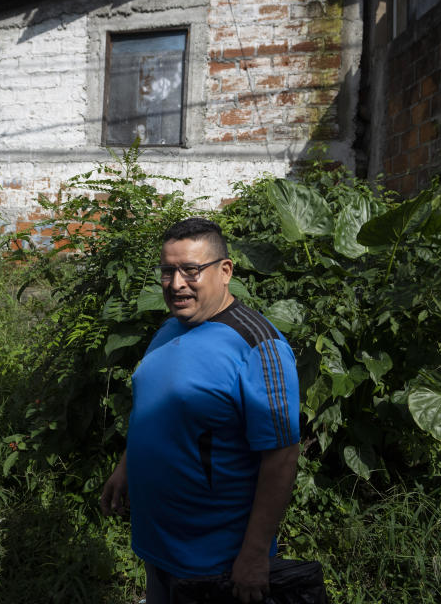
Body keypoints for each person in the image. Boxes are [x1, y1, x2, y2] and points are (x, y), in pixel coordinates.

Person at [100, 217, 300, 604]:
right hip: (158, 543)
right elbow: (156, 410)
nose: (176, 285)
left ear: (224, 271)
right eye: (167, 271)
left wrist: (255, 553)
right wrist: (125, 466)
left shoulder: (259, 347)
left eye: (191, 271)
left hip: (214, 559)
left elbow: (282, 455)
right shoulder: (170, 329)